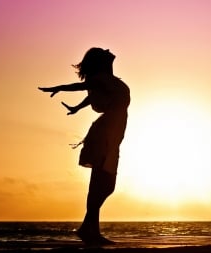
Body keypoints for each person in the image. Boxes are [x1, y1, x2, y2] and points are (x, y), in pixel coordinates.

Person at [38, 48, 130, 245]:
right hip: (104, 134)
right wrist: (60, 87)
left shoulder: (107, 81)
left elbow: (91, 95)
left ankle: (87, 229)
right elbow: (81, 87)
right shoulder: (100, 78)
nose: (108, 50)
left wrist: (77, 108)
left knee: (105, 185)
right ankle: (90, 231)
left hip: (111, 134)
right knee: (101, 183)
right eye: (104, 51)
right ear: (100, 60)